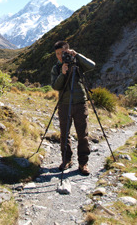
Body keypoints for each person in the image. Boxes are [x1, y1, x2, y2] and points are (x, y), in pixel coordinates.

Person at [51, 40, 96, 176]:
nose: (60, 56)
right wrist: (62, 74)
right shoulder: (56, 68)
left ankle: (83, 163)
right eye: (57, 54)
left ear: (68, 51)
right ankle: (66, 160)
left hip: (80, 103)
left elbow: (92, 65)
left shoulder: (77, 63)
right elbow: (55, 86)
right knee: (64, 134)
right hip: (64, 104)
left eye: (63, 53)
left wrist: (77, 55)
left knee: (83, 134)